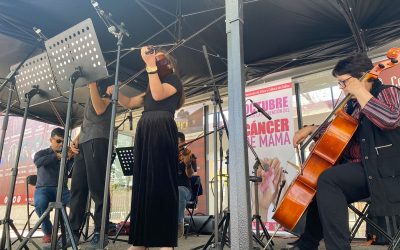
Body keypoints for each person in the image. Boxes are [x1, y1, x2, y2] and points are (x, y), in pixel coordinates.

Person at [286, 53, 400, 250]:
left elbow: (390, 119)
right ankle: (307, 243)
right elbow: (339, 130)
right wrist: (312, 129)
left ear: (362, 77)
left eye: (344, 82)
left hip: (384, 172)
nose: (342, 88)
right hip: (361, 170)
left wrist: (360, 91)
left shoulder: (388, 92)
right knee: (318, 180)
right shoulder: (353, 104)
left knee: (329, 179)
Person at [107, 46, 184, 250]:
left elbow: (159, 96)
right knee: (143, 183)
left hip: (161, 127)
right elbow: (132, 102)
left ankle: (165, 241)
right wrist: (117, 93)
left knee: (161, 183)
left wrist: (149, 65)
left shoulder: (173, 80)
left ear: (170, 65)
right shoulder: (152, 85)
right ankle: (141, 240)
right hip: (146, 129)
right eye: (153, 60)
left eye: (159, 60)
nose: (155, 62)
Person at [60, 81, 112, 248]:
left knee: (98, 189)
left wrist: (92, 85)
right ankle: (72, 233)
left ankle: (100, 232)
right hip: (84, 142)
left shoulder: (108, 93)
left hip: (97, 140)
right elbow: (86, 123)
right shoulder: (93, 94)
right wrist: (75, 141)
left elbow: (99, 109)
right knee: (77, 188)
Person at [33, 127, 75, 243]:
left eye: (63, 141)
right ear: (51, 140)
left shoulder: (66, 153)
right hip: (43, 189)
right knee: (40, 204)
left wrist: (72, 159)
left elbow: (71, 173)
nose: (61, 144)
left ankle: (70, 232)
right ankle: (48, 232)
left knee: (77, 204)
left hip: (62, 189)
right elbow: (38, 162)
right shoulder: (42, 153)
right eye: (58, 141)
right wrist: (56, 156)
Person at [177, 131, 197, 238]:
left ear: (184, 142)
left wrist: (188, 165)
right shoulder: (168, 154)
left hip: (185, 190)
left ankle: (179, 222)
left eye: (179, 144)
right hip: (169, 188)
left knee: (179, 191)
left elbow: (190, 175)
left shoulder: (189, 155)